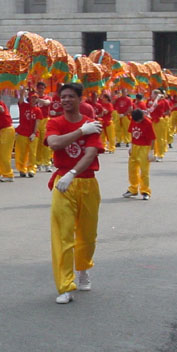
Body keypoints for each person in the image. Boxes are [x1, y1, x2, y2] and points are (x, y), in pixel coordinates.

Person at [45, 82, 104, 304]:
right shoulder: (55, 122)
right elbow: (55, 144)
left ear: (80, 99)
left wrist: (73, 173)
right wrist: (80, 132)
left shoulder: (92, 124)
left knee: (87, 236)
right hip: (63, 184)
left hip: (86, 182)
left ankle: (83, 268)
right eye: (63, 97)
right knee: (63, 234)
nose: (66, 100)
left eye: (71, 96)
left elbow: (90, 154)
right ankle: (65, 285)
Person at [123, 108, 154, 200]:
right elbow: (132, 133)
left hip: (144, 147)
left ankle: (145, 191)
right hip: (135, 147)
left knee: (144, 171)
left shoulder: (148, 123)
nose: (137, 122)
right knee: (132, 169)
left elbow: (152, 138)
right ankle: (133, 189)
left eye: (139, 121)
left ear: (142, 117)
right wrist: (131, 146)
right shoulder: (133, 120)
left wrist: (151, 151)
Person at [14, 88, 41, 177]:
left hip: (32, 134)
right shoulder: (24, 106)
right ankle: (22, 169)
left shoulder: (38, 110)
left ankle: (31, 169)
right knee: (21, 152)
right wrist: (22, 93)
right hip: (22, 133)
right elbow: (21, 99)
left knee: (32, 153)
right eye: (32, 98)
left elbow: (37, 122)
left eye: (35, 98)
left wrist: (34, 133)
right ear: (29, 98)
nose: (34, 100)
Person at [33, 81, 53, 173]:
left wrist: (38, 100)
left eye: (42, 88)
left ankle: (47, 163)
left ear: (44, 89)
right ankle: (37, 163)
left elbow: (47, 103)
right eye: (39, 88)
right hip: (36, 121)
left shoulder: (47, 97)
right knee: (36, 143)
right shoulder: (33, 97)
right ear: (37, 89)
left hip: (45, 121)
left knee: (45, 143)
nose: (40, 90)